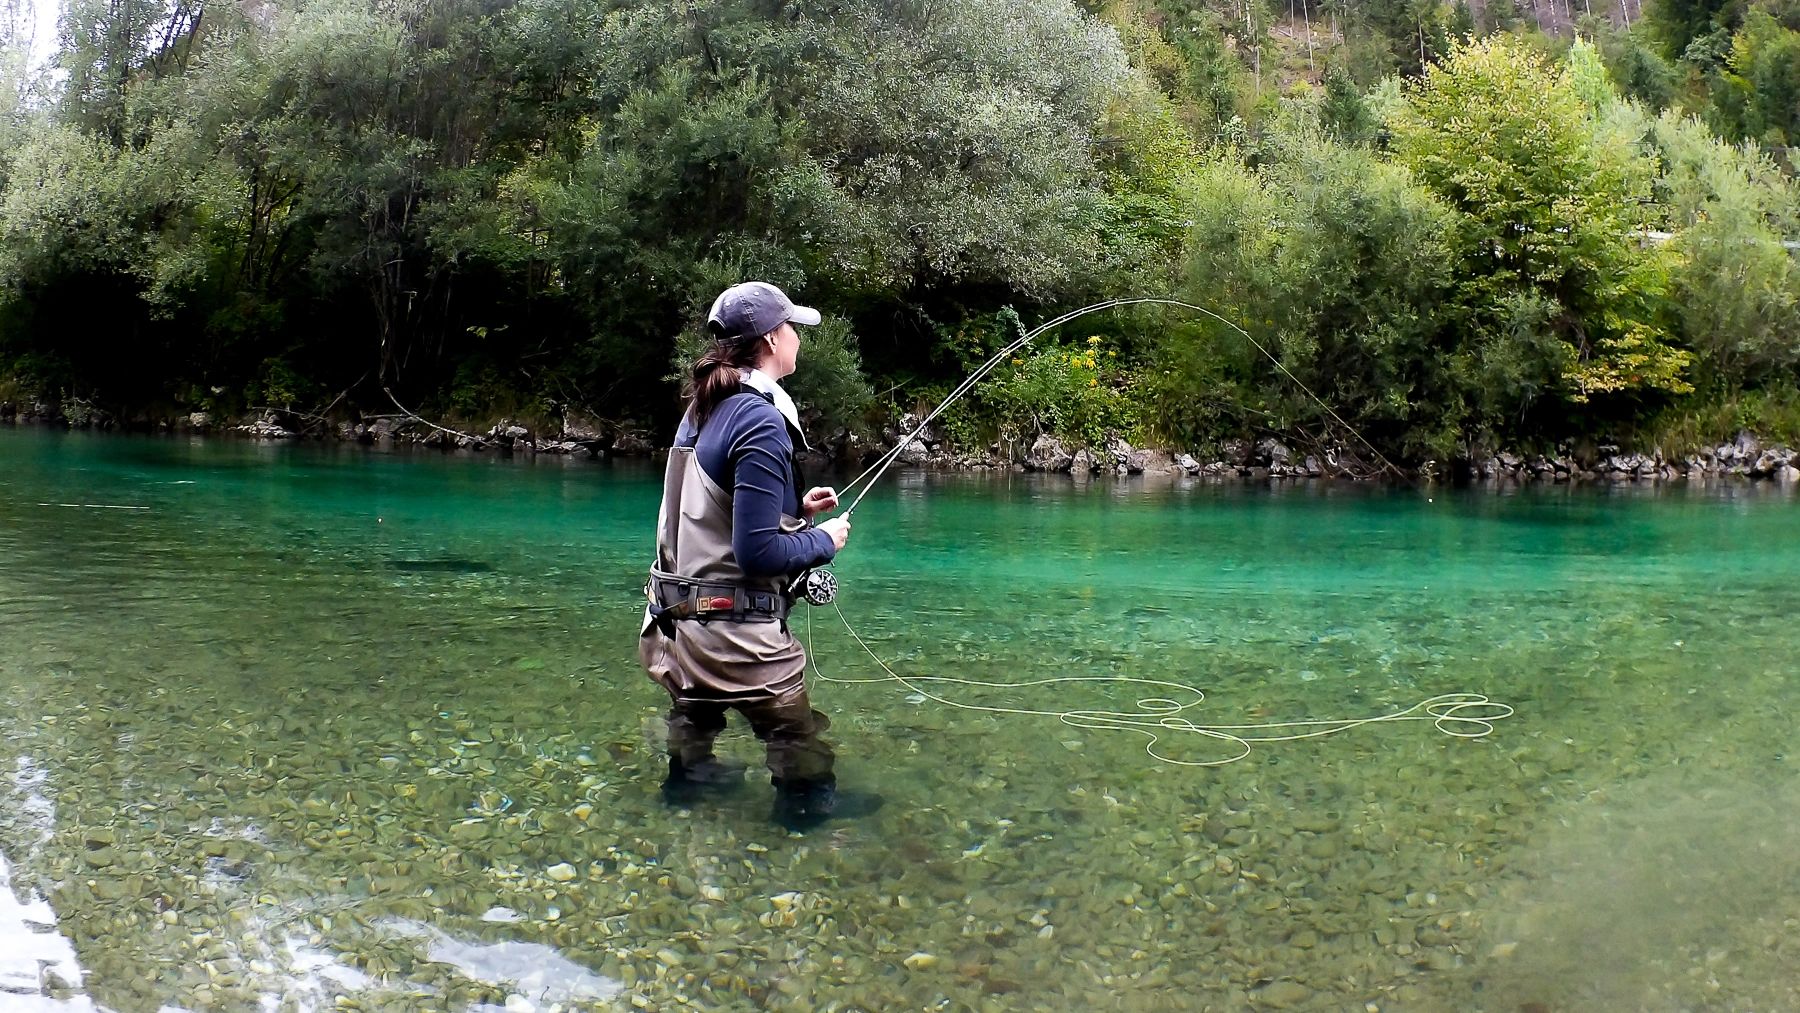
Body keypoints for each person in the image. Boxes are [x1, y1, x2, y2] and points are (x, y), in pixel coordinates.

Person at [639, 281, 880, 831]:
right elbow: (758, 554)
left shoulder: (706, 407)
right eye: (792, 327)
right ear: (773, 338)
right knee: (795, 734)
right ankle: (805, 814)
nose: (797, 337)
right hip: (736, 632)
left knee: (695, 715)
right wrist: (825, 541)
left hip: (677, 626)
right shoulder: (760, 420)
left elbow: (709, 506)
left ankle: (687, 791)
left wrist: (793, 506)